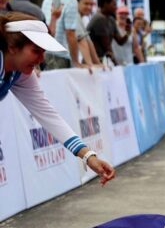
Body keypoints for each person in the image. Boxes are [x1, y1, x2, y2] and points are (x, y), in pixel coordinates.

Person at [0, 13, 116, 183]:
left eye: (43, 52)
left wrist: (88, 156)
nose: (41, 59)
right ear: (12, 47)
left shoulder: (21, 73)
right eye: (36, 51)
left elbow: (48, 115)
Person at [41, 0, 83, 70]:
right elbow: (70, 34)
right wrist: (76, 62)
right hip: (60, 55)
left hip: (43, 52)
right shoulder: (71, 1)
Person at [86, 0, 129, 66]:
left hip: (102, 60)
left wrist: (128, 32)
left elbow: (120, 41)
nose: (116, 7)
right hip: (93, 60)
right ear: (106, 4)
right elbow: (106, 47)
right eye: (114, 5)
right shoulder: (99, 19)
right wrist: (116, 64)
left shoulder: (111, 19)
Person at [73, 0, 102, 68]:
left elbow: (88, 42)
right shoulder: (74, 15)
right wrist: (91, 65)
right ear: (77, 3)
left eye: (91, 4)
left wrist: (98, 64)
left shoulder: (81, 19)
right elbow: (81, 40)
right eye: (86, 4)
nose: (89, 7)